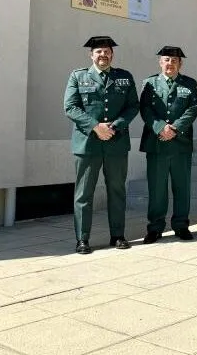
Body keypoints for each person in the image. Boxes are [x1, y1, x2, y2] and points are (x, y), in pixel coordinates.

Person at [63, 36, 139, 254]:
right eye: (98, 52)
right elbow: (70, 107)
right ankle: (82, 239)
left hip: (116, 143)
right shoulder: (78, 76)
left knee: (117, 191)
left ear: (112, 55)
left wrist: (115, 126)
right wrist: (96, 126)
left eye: (106, 52)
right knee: (84, 193)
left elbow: (133, 106)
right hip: (87, 145)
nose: (103, 55)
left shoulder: (124, 77)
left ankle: (118, 235)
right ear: (91, 55)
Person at [139, 46, 197, 243]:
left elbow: (192, 109)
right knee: (157, 188)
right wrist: (160, 128)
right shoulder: (149, 83)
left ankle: (181, 225)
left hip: (180, 143)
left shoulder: (189, 83)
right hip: (156, 144)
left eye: (174, 60)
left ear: (180, 63)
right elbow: (145, 109)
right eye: (166, 60)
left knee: (182, 187)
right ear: (160, 62)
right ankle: (155, 227)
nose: (170, 63)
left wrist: (174, 129)